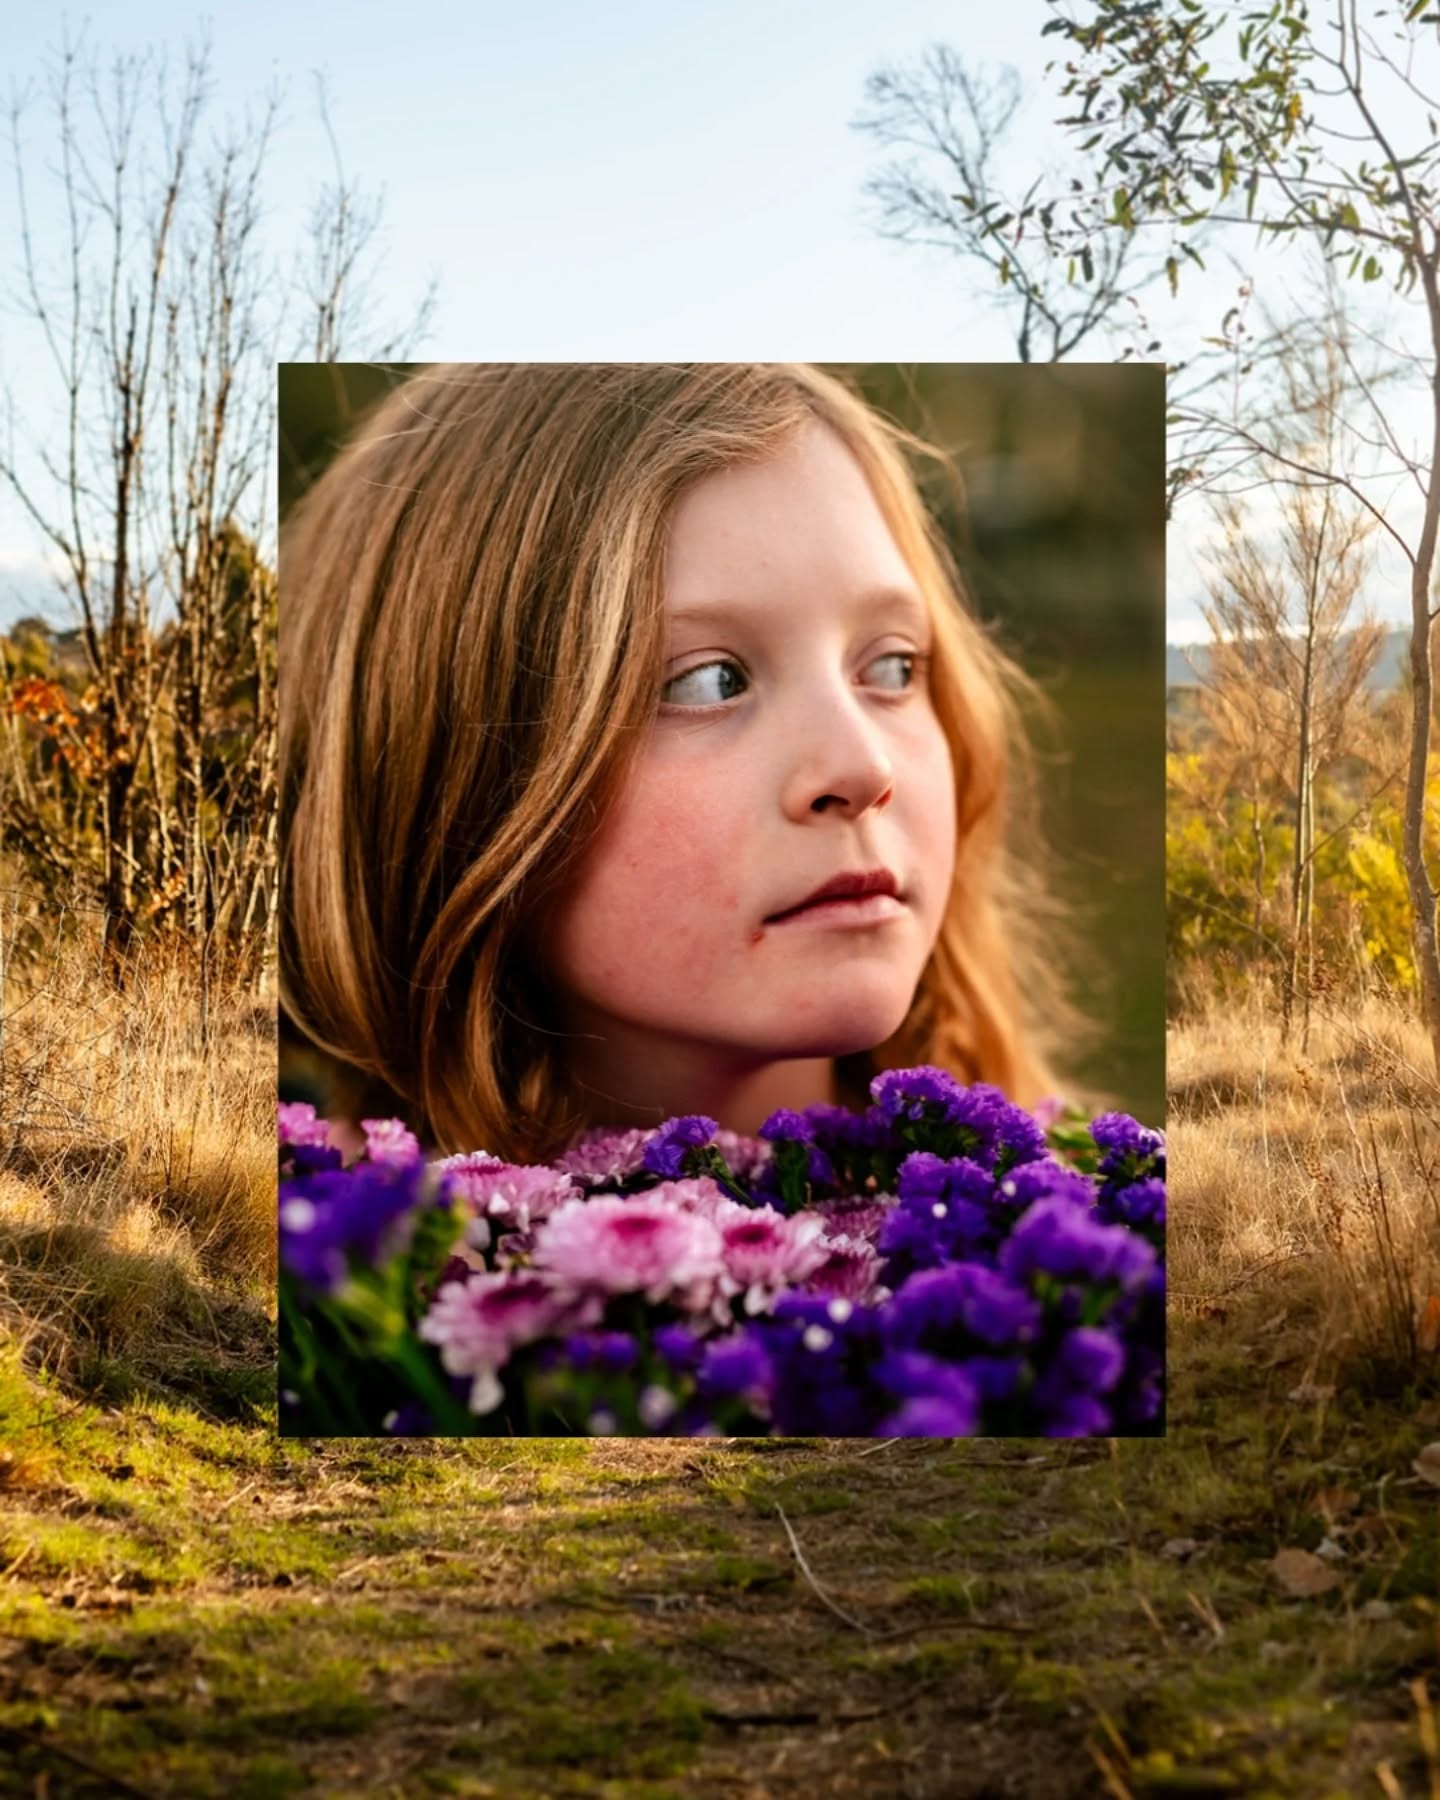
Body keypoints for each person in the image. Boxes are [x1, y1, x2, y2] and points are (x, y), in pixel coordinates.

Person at [279, 363, 1079, 1166]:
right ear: (453, 769)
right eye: (710, 680)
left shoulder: (1097, 1236)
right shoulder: (332, 1268)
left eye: (894, 667)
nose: (863, 768)